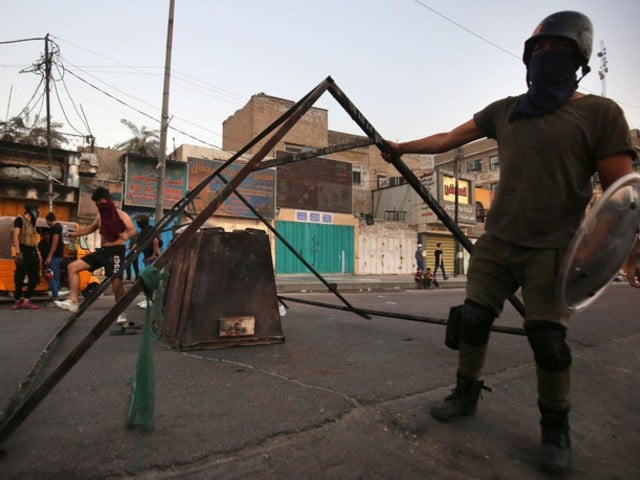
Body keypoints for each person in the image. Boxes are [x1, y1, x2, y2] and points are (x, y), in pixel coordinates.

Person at [382, 11, 637, 475]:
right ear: (528, 58)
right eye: (540, 50)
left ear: (579, 59)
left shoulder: (600, 114)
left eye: (558, 50)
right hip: (497, 241)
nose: (547, 57)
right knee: (473, 320)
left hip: (554, 248)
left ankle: (555, 428)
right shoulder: (506, 110)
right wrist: (402, 147)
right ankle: (466, 392)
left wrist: (628, 253)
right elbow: (449, 138)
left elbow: (621, 199)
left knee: (549, 343)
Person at [54, 187, 137, 325]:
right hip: (103, 251)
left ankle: (121, 312)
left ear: (108, 201)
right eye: (97, 203)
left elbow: (133, 231)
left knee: (116, 283)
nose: (99, 205)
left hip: (116, 251)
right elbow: (89, 229)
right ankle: (73, 301)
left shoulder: (121, 215)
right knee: (72, 267)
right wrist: (72, 234)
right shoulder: (100, 217)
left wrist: (126, 235)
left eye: (101, 202)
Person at [11, 202, 41, 310]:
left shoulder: (33, 222)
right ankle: (17, 300)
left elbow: (33, 238)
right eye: (37, 210)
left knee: (34, 277)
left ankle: (27, 299)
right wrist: (18, 252)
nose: (38, 212)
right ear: (31, 210)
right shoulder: (19, 220)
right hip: (22, 250)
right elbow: (15, 236)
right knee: (20, 276)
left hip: (32, 251)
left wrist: (38, 251)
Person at [40, 212, 64, 306]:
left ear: (48, 220)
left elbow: (55, 242)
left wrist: (49, 256)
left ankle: (55, 299)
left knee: (50, 276)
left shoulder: (55, 228)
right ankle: (56, 296)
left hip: (54, 256)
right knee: (55, 276)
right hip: (58, 256)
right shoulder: (59, 227)